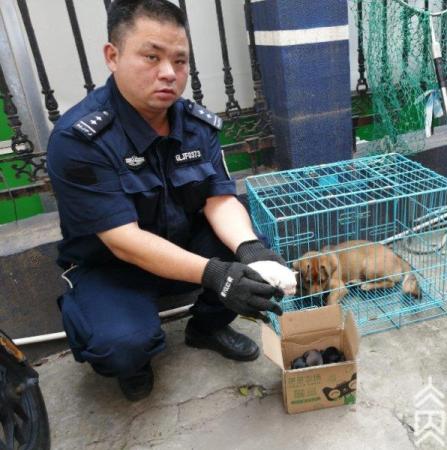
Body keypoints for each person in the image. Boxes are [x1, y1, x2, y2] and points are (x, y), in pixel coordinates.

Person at [47, 0, 293, 401]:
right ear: (112, 56)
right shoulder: (80, 140)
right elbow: (124, 241)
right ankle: (134, 361)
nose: (168, 73)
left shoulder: (195, 124)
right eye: (151, 57)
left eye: (180, 61)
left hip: (182, 244)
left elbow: (218, 198)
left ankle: (206, 328)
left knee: (250, 255)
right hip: (112, 265)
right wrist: (217, 275)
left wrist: (251, 251)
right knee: (121, 344)